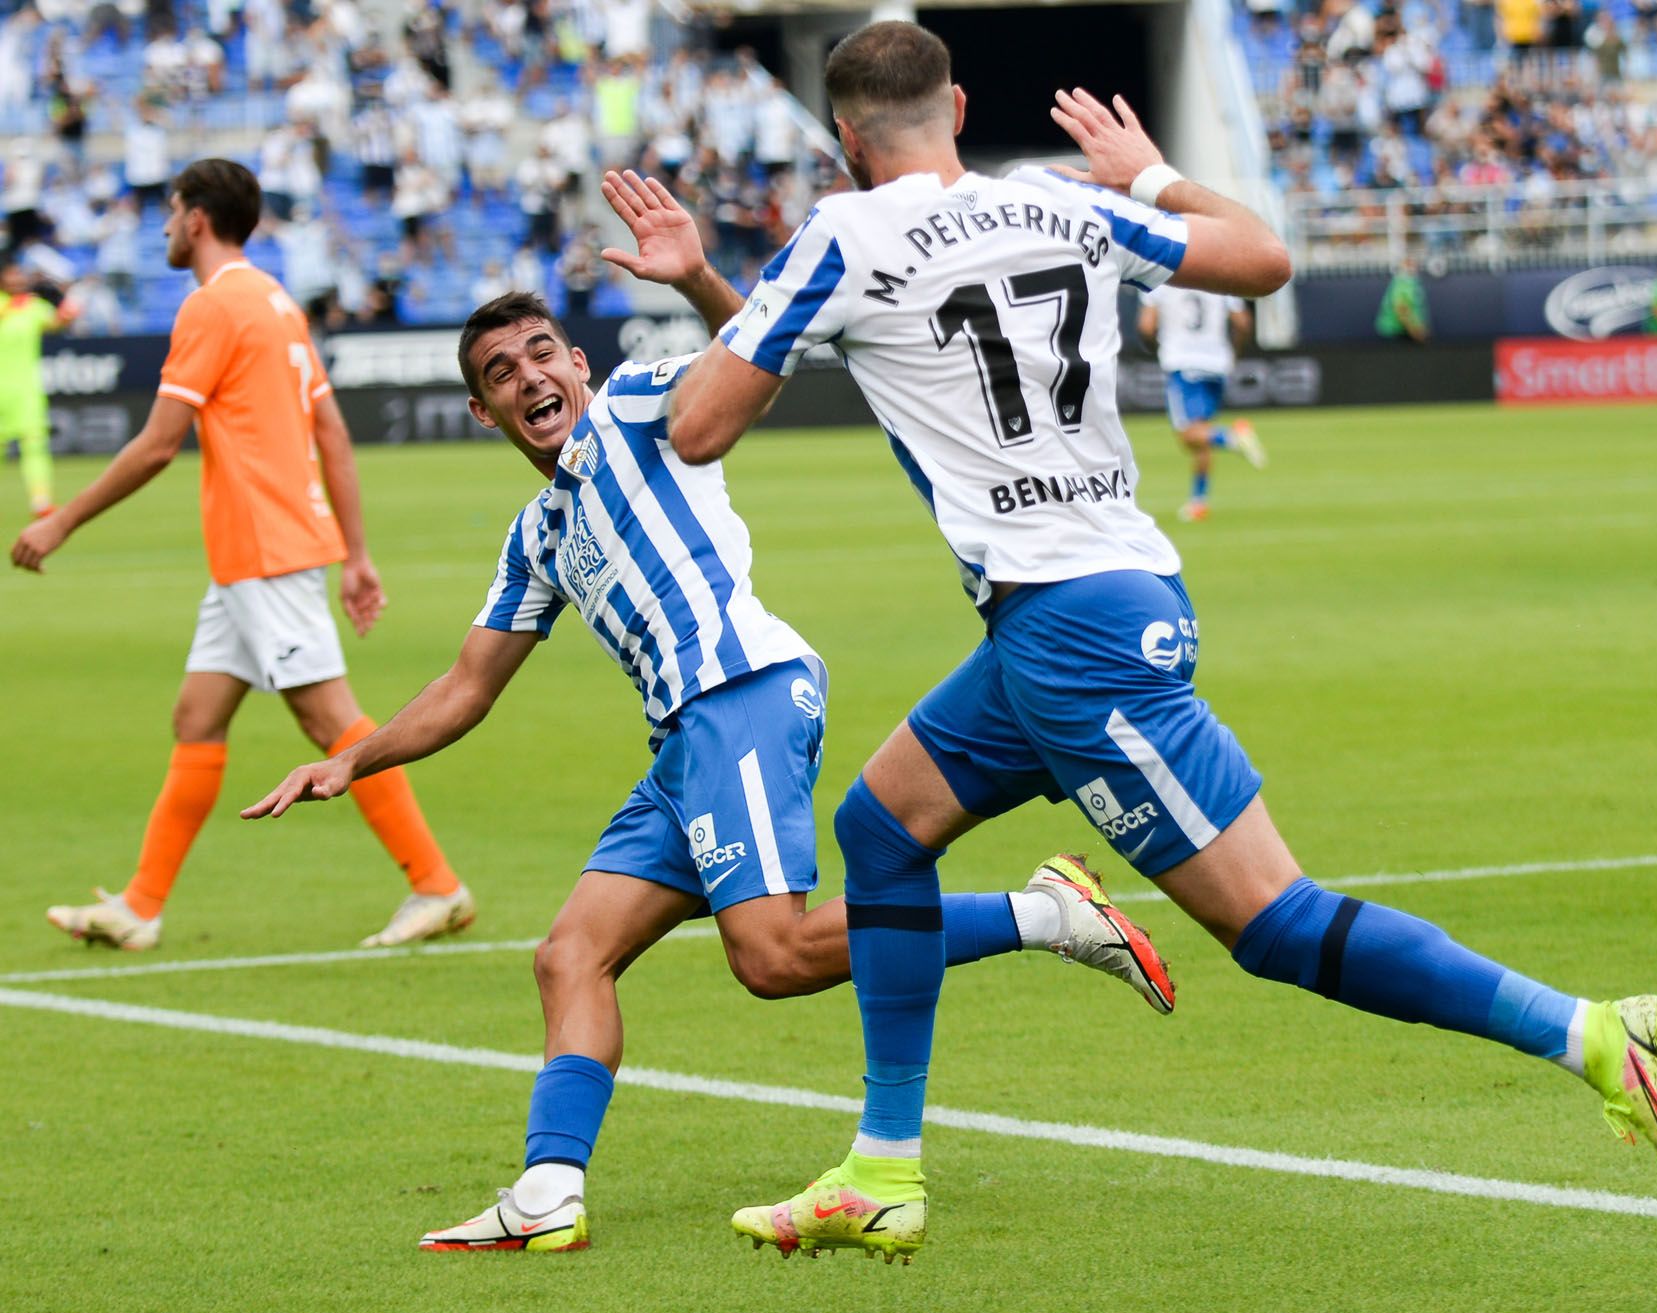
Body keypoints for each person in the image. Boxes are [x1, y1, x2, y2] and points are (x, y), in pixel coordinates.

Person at [657, 21, 1657, 1261]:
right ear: (953, 107)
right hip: (1074, 613)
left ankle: (1589, 1033)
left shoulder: (841, 236)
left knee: (1269, 925)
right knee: (881, 828)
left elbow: (698, 427)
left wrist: (706, 288)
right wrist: (1147, 172)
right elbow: (1261, 256)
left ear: (844, 138)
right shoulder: (1062, 205)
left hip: (1074, 642)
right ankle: (883, 1168)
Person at [242, 172, 1174, 1253]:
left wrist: (688, 269)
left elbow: (751, 347)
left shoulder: (641, 402)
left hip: (743, 692)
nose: (529, 376)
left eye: (542, 354)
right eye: (502, 372)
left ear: (576, 364)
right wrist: (348, 759)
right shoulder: (536, 536)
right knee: (568, 956)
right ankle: (546, 1195)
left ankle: (1044, 915)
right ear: (482, 409)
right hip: (684, 742)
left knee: (770, 957)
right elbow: (465, 687)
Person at [12, 159, 473, 953]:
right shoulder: (276, 302)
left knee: (330, 719)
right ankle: (140, 906)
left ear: (195, 218)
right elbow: (329, 430)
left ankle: (436, 885)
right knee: (197, 715)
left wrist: (62, 522)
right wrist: (355, 553)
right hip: (256, 553)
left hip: (266, 548)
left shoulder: (213, 305)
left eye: (169, 210)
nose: (162, 226)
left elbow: (158, 445)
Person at [1135, 286, 1265, 523]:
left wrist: (1160, 348)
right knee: (1203, 431)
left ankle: (1232, 437)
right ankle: (1199, 501)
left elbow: (1146, 326)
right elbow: (1243, 323)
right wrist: (1232, 353)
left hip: (1183, 363)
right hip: (1217, 364)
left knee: (1189, 435)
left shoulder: (1159, 277)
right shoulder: (1217, 275)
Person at [0, 261, 78, 517]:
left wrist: (61, 293)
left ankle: (41, 502)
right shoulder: (10, 305)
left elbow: (64, 319)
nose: (17, 279)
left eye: (18, 273)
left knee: (35, 446)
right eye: (11, 274)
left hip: (26, 391)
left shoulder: (33, 307)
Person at [1376, 255, 1430, 342]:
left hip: (1405, 333)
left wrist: (1420, 326)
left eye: (1413, 265)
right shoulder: (1402, 283)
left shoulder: (1412, 282)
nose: (1412, 268)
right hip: (1395, 333)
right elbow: (1401, 308)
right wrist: (1415, 331)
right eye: (1408, 265)